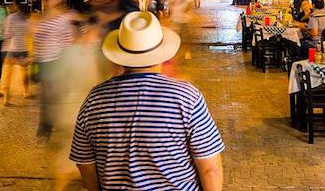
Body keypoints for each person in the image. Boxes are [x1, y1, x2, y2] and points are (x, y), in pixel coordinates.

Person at [70, 11, 224, 190]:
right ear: (162, 54)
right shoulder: (186, 97)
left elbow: (84, 163)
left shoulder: (95, 100)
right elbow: (210, 169)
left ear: (120, 56)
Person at [33, 0, 80, 140]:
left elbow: (68, 41)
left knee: (54, 95)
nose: (47, 2)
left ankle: (50, 125)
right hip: (44, 62)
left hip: (57, 62)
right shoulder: (42, 19)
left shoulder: (62, 19)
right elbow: (37, 42)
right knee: (47, 97)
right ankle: (45, 129)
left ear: (58, 0)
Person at [1, 0, 30, 105]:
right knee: (24, 72)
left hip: (12, 49)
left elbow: (8, 34)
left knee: (8, 73)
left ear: (16, 5)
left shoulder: (11, 18)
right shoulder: (26, 18)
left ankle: (6, 98)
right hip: (23, 49)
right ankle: (26, 91)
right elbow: (28, 33)